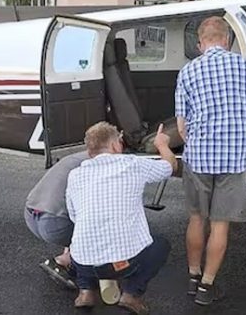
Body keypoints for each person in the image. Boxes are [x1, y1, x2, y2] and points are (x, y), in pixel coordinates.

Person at [175, 16, 246, 306]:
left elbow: (181, 125)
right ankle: (206, 288)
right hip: (235, 158)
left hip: (199, 158)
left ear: (201, 43)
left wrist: (197, 144)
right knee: (220, 224)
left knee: (196, 218)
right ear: (227, 41)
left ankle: (192, 276)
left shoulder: (188, 71)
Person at [66, 122, 178, 315]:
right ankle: (131, 294)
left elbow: (74, 216)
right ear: (115, 146)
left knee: (81, 241)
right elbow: (170, 166)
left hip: (85, 263)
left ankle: (86, 291)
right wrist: (162, 145)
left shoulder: (75, 175)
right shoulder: (131, 164)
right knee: (161, 246)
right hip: (124, 263)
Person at [24, 150, 89, 289]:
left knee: (72, 209)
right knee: (109, 220)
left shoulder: (77, 157)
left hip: (31, 214)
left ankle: (71, 256)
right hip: (54, 223)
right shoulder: (102, 165)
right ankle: (64, 261)